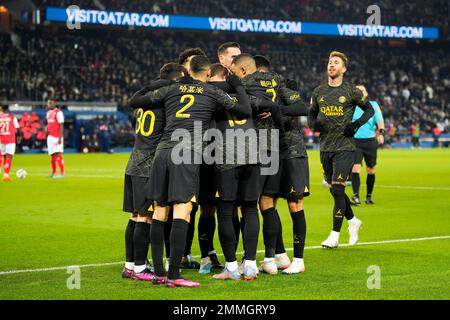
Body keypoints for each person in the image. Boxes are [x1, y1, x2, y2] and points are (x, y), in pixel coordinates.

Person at [129, 55, 252, 288]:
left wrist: (154, 84)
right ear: (207, 74)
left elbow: (136, 101)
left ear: (188, 72)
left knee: (159, 212)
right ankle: (174, 274)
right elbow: (244, 110)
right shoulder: (211, 92)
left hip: (162, 152)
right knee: (182, 212)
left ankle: (158, 273)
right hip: (185, 154)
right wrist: (236, 85)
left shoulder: (172, 88)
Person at [230, 53, 307, 274]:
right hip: (276, 147)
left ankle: (249, 261)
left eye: (235, 70)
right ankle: (271, 259)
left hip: (257, 147)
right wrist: (277, 109)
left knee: (249, 205)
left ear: (244, 70)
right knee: (268, 204)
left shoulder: (244, 83)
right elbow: (300, 106)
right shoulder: (277, 80)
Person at [122, 63, 184, 282]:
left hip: (133, 161)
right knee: (145, 218)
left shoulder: (145, 98)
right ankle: (140, 268)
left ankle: (130, 265)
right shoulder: (163, 101)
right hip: (148, 163)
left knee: (135, 216)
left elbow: (133, 103)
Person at [308, 51, 374, 249]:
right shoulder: (318, 91)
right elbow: (310, 116)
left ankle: (334, 236)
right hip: (325, 147)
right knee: (334, 190)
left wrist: (356, 125)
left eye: (336, 63)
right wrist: (314, 126)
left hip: (345, 147)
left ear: (344, 69)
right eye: (330, 62)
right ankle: (353, 220)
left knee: (338, 189)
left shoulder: (352, 91)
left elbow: (369, 110)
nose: (331, 65)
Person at [350, 85, 385, 206]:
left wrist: (381, 133)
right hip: (355, 141)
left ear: (366, 93)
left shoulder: (373, 105)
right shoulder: (351, 105)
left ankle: (369, 197)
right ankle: (356, 197)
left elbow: (379, 120)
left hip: (370, 141)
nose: (359, 91)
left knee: (371, 169)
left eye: (362, 90)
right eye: (357, 90)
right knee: (356, 168)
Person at [0, 105, 20, 182]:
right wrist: (19, 137)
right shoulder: (12, 117)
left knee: (4, 157)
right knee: (9, 157)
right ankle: (6, 175)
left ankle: (5, 173)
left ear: (2, 109)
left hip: (2, 139)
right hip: (10, 139)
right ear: (8, 109)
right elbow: (18, 128)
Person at [46, 100, 65, 178]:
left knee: (58, 154)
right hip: (50, 137)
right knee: (52, 155)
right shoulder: (48, 113)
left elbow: (61, 125)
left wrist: (60, 137)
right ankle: (53, 173)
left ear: (54, 103)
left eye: (50, 103)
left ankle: (62, 173)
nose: (49, 105)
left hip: (57, 136)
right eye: (48, 103)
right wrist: (46, 129)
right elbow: (49, 124)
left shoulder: (59, 112)